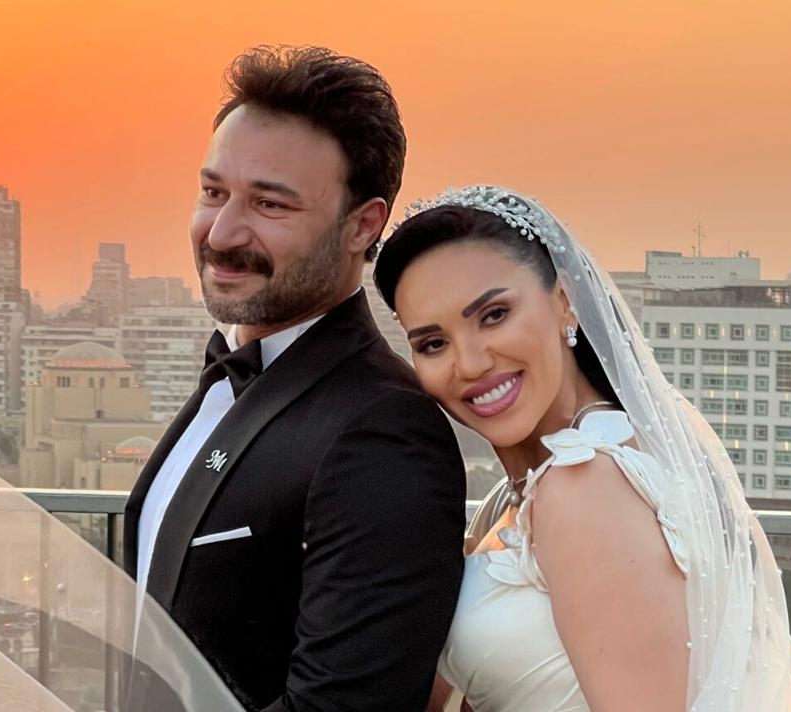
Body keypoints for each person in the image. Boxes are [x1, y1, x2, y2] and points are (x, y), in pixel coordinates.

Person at [373, 185, 791, 711]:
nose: (471, 363)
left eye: (494, 315)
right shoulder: (540, 484)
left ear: (565, 302)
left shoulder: (583, 484)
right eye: (433, 343)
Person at [122, 46, 466, 711]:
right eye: (213, 193)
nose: (222, 233)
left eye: (269, 205)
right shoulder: (232, 372)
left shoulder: (384, 431)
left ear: (362, 225)